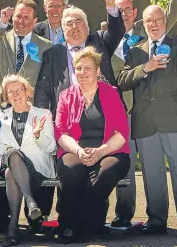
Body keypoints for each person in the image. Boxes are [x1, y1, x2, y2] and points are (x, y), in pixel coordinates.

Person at [111, 0, 177, 228]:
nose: (124, 14)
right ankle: (124, 215)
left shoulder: (147, 33)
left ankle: (158, 220)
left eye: (128, 10)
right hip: (117, 113)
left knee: (153, 168)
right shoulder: (106, 36)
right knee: (125, 166)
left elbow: (171, 13)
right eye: (119, 11)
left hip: (142, 110)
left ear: (135, 14)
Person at [118, 4, 177, 238]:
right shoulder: (136, 51)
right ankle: (157, 221)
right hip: (145, 122)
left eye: (157, 20)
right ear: (143, 24)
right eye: (148, 21)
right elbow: (123, 80)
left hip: (174, 119)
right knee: (152, 175)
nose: (153, 25)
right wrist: (146, 67)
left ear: (164, 21)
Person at [55, 46, 130, 243]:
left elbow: (122, 133)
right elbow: (61, 133)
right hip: (75, 148)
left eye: (88, 68)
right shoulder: (66, 96)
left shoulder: (111, 93)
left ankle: (79, 226)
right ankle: (70, 222)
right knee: (71, 172)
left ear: (98, 71)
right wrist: (79, 151)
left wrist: (100, 151)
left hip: (110, 149)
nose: (83, 73)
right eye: (79, 68)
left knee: (103, 175)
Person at [34, 0, 125, 120]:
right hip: (68, 115)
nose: (74, 27)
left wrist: (111, 6)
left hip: (103, 113)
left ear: (87, 26)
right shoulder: (52, 54)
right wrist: (42, 116)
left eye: (78, 22)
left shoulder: (99, 42)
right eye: (69, 24)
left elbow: (116, 31)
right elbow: (43, 89)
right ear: (63, 30)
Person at [0, 75, 56, 246]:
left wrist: (37, 135)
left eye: (18, 90)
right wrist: (9, 150)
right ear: (6, 97)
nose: (15, 94)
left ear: (28, 92)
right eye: (10, 92)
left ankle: (13, 227)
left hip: (36, 168)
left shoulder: (43, 114)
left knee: (10, 173)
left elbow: (51, 147)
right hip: (8, 160)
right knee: (13, 155)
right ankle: (30, 201)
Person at [0, 0, 52, 110]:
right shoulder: (0, 38)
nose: (21, 21)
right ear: (12, 16)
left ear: (34, 22)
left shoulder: (45, 46)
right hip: (1, 105)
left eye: (26, 18)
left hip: (32, 108)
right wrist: (2, 23)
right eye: (18, 16)